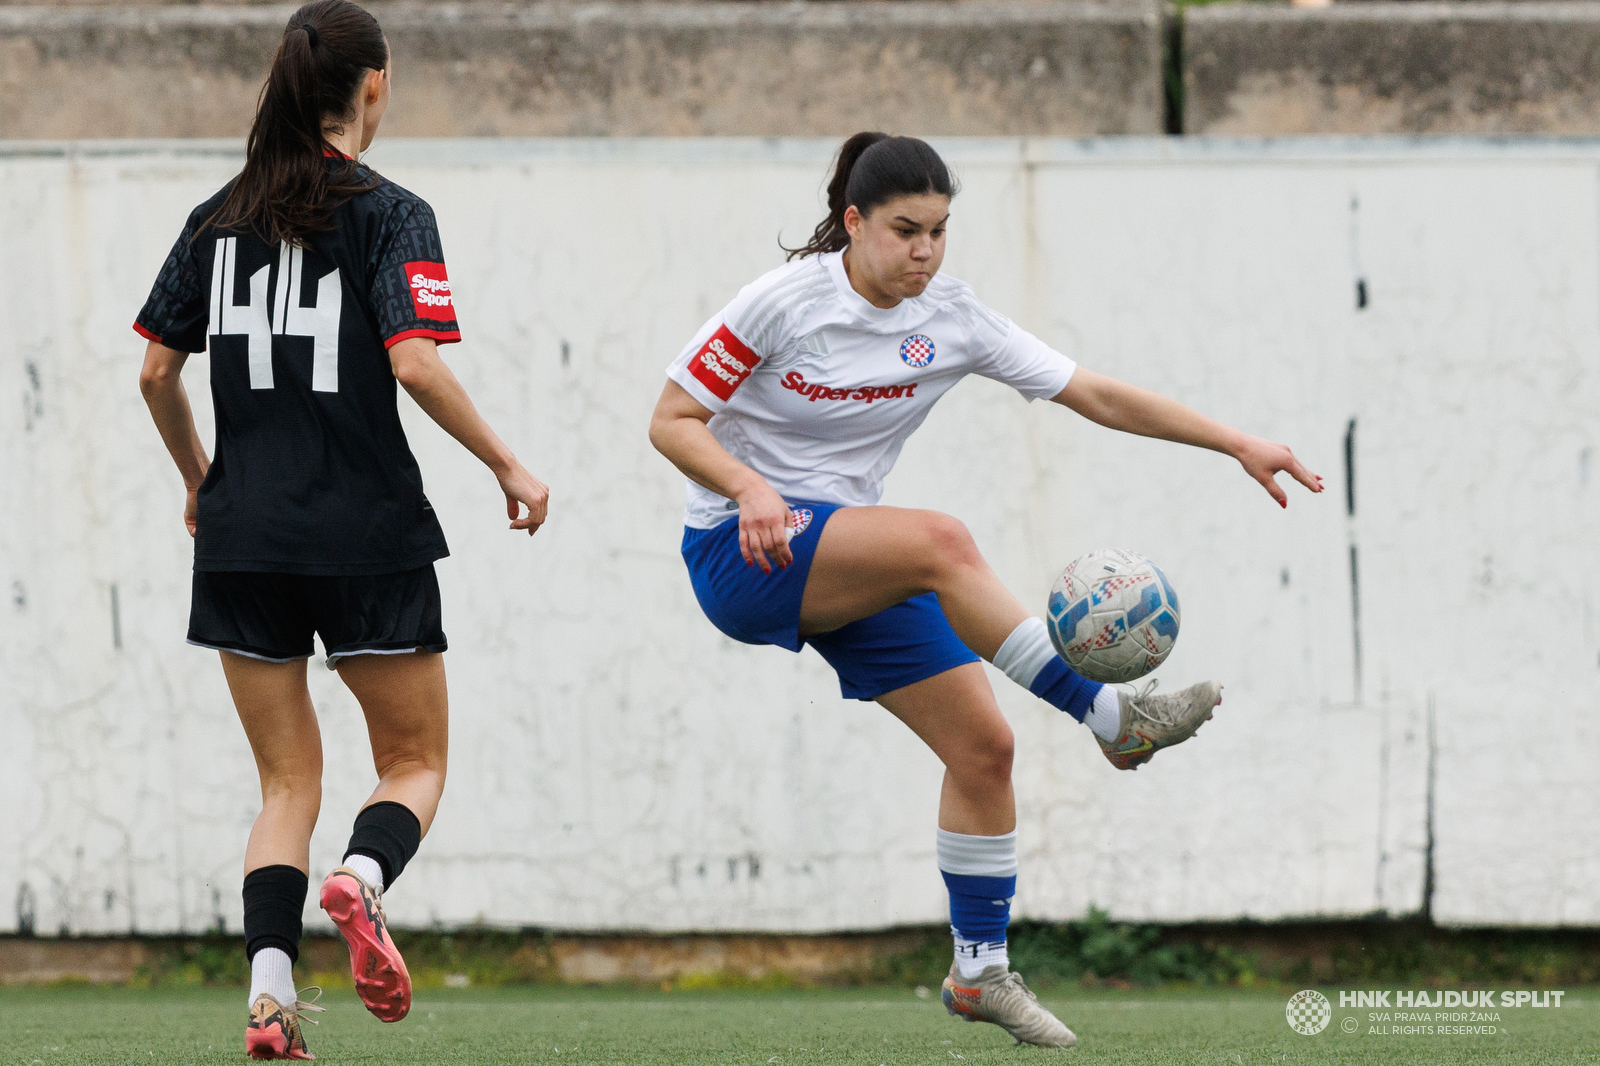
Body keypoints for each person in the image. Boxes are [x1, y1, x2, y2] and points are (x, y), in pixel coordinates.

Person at [648, 132, 1322, 1047]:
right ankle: (1116, 722)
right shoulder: (783, 304)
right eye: (904, 230)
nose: (924, 251)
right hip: (741, 548)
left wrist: (1235, 440)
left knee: (984, 749)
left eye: (939, 231)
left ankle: (979, 972)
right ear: (853, 222)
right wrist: (751, 488)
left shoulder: (954, 319)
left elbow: (1097, 395)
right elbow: (672, 420)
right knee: (942, 541)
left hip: (848, 559)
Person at [134, 1, 549, 1057]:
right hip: (366, 535)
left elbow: (153, 368)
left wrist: (200, 478)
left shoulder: (215, 217)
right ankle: (362, 881)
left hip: (241, 539)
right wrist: (507, 461)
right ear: (375, 84)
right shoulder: (392, 211)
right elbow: (414, 361)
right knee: (413, 762)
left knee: (284, 784)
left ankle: (269, 1004)